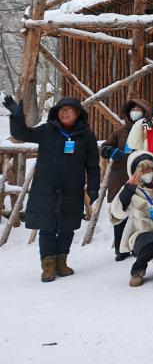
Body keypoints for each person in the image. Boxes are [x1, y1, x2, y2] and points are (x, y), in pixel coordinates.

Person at [5, 96, 100, 282]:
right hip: (46, 188)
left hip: (72, 189)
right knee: (47, 227)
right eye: (61, 109)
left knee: (67, 227)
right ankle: (48, 266)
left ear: (78, 113)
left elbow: (92, 165)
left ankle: (61, 262)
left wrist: (93, 187)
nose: (64, 112)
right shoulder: (47, 130)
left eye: (69, 109)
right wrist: (17, 117)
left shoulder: (86, 136)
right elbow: (23, 134)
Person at [109, 150, 153, 287]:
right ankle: (137, 270)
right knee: (150, 242)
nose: (146, 173)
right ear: (135, 172)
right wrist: (127, 192)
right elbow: (116, 213)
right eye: (142, 170)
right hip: (142, 234)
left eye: (149, 169)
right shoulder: (130, 187)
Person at [101, 98, 151, 261]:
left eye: (139, 110)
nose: (135, 112)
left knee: (141, 212)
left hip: (143, 176)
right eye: (133, 110)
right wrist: (110, 151)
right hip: (121, 176)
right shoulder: (121, 131)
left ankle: (139, 246)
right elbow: (104, 147)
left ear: (145, 113)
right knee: (120, 211)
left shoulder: (149, 130)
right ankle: (121, 249)